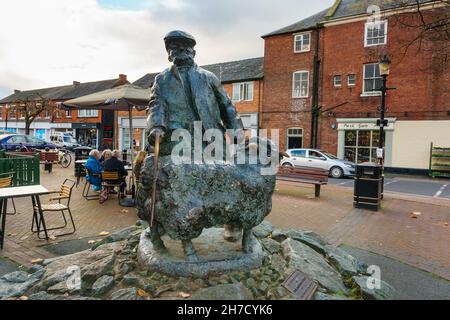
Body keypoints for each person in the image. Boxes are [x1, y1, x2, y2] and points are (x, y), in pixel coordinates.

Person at [146, 30, 244, 157]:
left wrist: (236, 132)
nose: (182, 48)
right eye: (175, 46)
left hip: (210, 137)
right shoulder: (162, 79)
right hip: (178, 139)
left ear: (194, 53)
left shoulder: (209, 77)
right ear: (169, 56)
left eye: (186, 46)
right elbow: (156, 104)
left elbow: (227, 106)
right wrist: (156, 127)